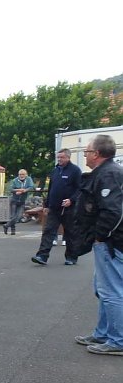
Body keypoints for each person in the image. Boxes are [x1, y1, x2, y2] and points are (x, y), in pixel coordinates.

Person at [71, 135, 123, 356]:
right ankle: (103, 333)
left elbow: (113, 211)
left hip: (111, 243)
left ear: (97, 154)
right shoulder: (108, 172)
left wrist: (101, 236)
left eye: (87, 152)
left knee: (111, 291)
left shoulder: (109, 174)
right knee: (103, 290)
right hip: (108, 242)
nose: (85, 155)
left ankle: (117, 340)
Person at [31, 148, 82, 266]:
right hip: (54, 208)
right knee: (48, 231)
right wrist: (47, 205)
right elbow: (51, 189)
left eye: (62, 157)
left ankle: (71, 257)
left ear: (68, 158)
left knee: (70, 233)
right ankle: (42, 256)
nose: (59, 159)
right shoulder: (55, 171)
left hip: (69, 208)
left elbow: (80, 189)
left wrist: (71, 200)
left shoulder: (75, 171)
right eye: (58, 157)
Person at [3, 168, 35, 235]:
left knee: (19, 216)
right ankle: (13, 231)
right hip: (14, 200)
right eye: (20, 174)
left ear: (26, 175)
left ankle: (6, 225)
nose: (21, 176)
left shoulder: (28, 179)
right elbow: (11, 189)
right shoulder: (15, 180)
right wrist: (18, 190)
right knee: (13, 216)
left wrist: (24, 190)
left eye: (23, 174)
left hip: (22, 201)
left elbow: (31, 187)